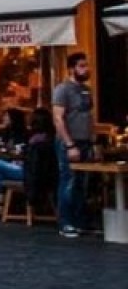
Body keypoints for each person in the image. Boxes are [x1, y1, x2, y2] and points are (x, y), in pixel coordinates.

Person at [53, 52, 95, 238]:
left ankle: (80, 221)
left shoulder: (86, 90)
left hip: (85, 141)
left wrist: (92, 140)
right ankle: (65, 222)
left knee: (81, 183)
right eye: (82, 66)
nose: (86, 69)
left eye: (86, 65)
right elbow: (58, 118)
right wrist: (69, 144)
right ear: (72, 68)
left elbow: (88, 116)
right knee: (68, 181)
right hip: (69, 141)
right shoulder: (63, 89)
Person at [0, 108, 50, 208]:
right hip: (34, 172)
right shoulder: (47, 137)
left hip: (29, 173)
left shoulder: (35, 139)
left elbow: (30, 158)